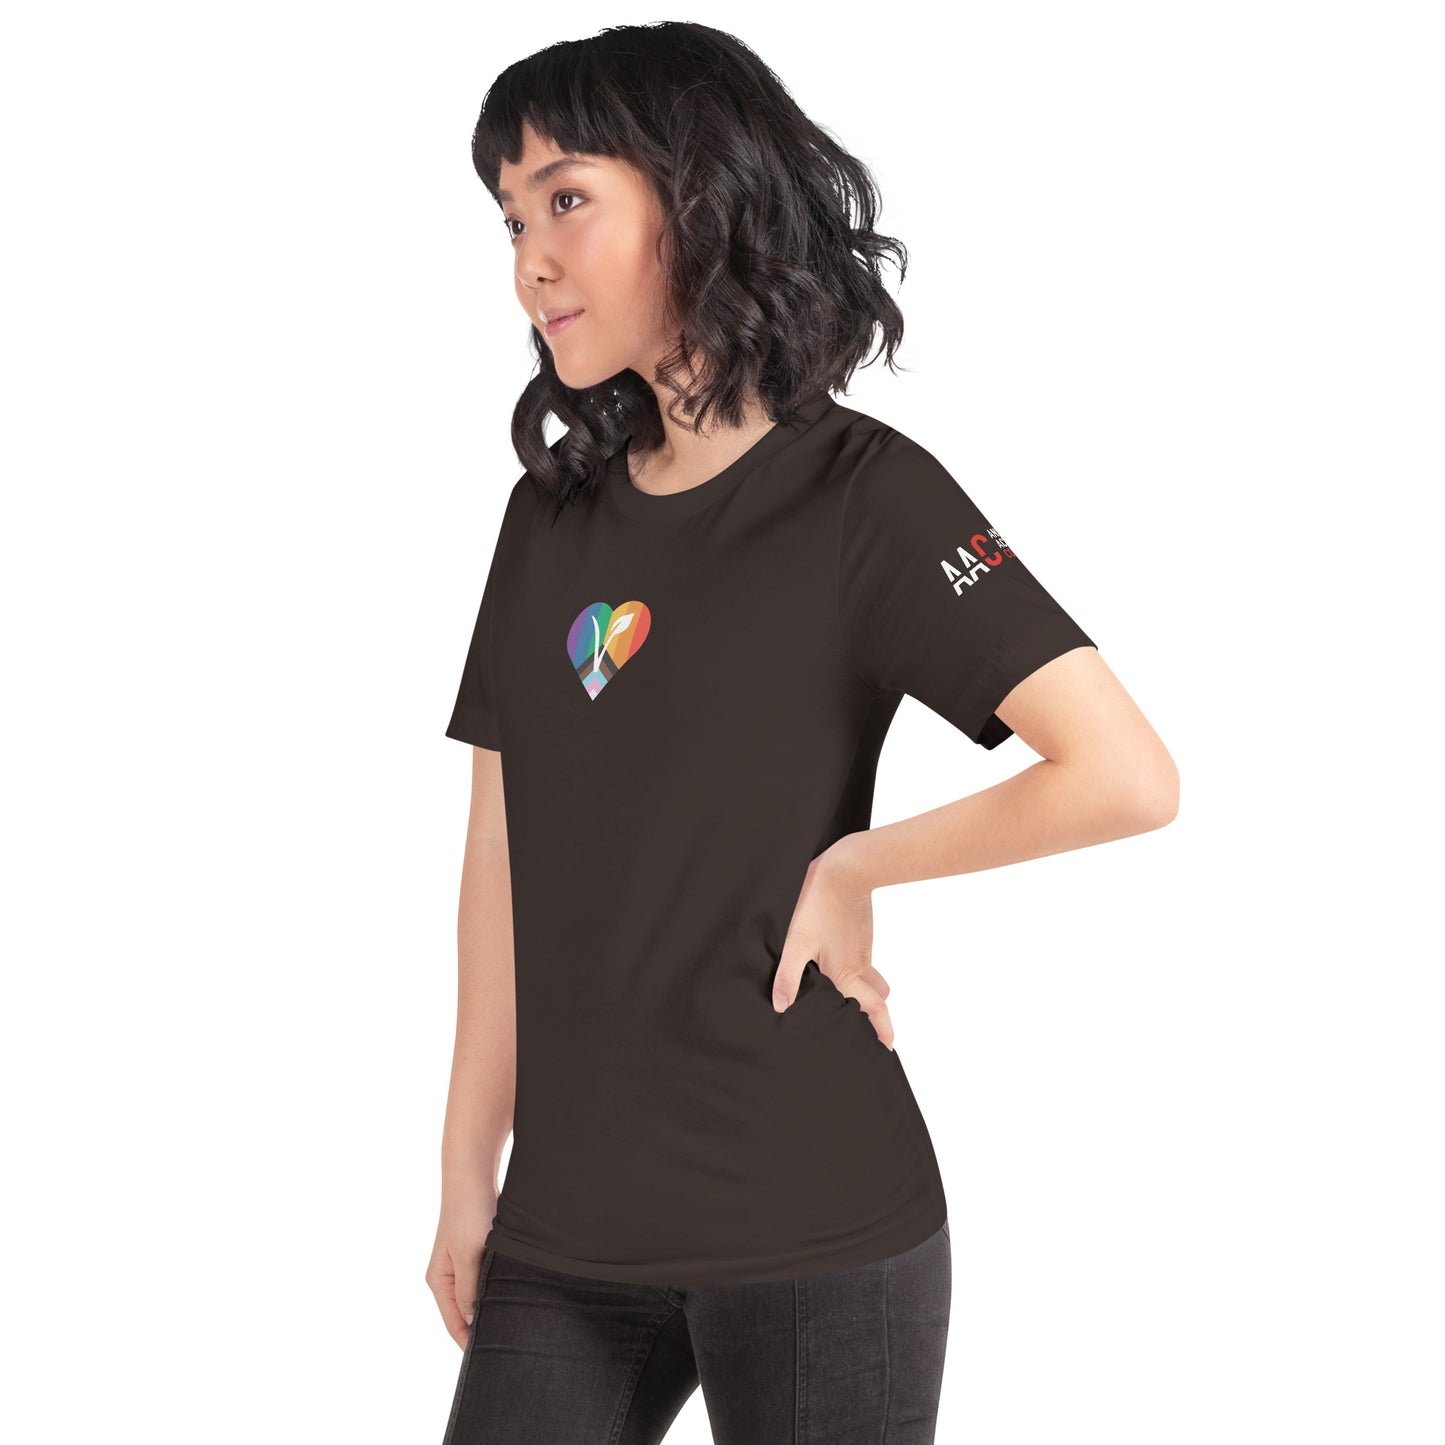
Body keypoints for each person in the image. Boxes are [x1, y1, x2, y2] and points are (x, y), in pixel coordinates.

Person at [426, 22, 1178, 1445]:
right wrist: (470, 1170)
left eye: (568, 199)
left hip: (815, 1218)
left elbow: (1124, 774)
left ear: (697, 192)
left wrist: (855, 866)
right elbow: (499, 855)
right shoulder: (548, 518)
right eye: (512, 218)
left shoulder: (866, 496)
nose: (529, 261)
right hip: (566, 1232)